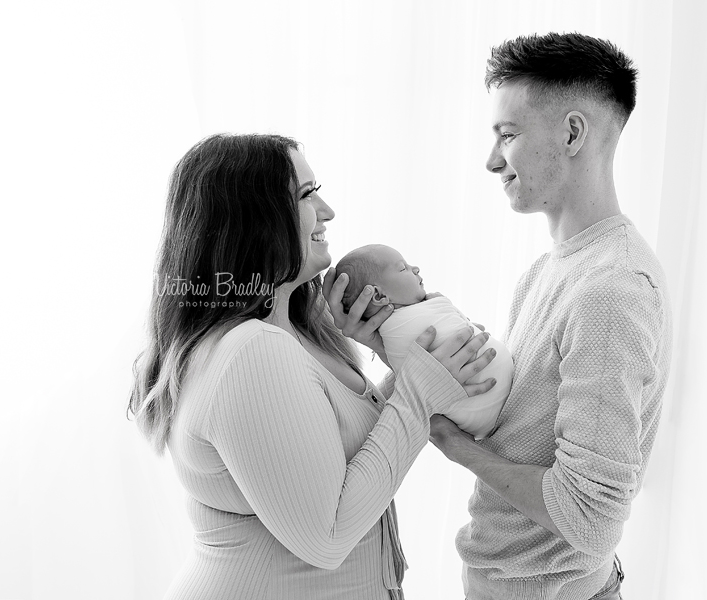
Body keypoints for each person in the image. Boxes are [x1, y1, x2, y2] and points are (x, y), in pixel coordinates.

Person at [325, 33, 673, 600]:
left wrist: (448, 442)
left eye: (507, 136)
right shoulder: (550, 270)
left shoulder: (611, 289)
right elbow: (508, 423)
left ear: (573, 133)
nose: (491, 161)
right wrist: (390, 347)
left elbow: (590, 519)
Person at [127, 133, 497, 600]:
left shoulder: (294, 332)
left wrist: (402, 363)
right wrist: (417, 389)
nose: (327, 210)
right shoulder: (253, 350)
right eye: (306, 194)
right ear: (254, 219)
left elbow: (331, 454)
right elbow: (326, 537)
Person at [335, 243, 513, 439]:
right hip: (485, 401)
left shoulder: (399, 326)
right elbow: (414, 377)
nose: (415, 268)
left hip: (484, 414)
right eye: (403, 268)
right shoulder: (399, 329)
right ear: (379, 295)